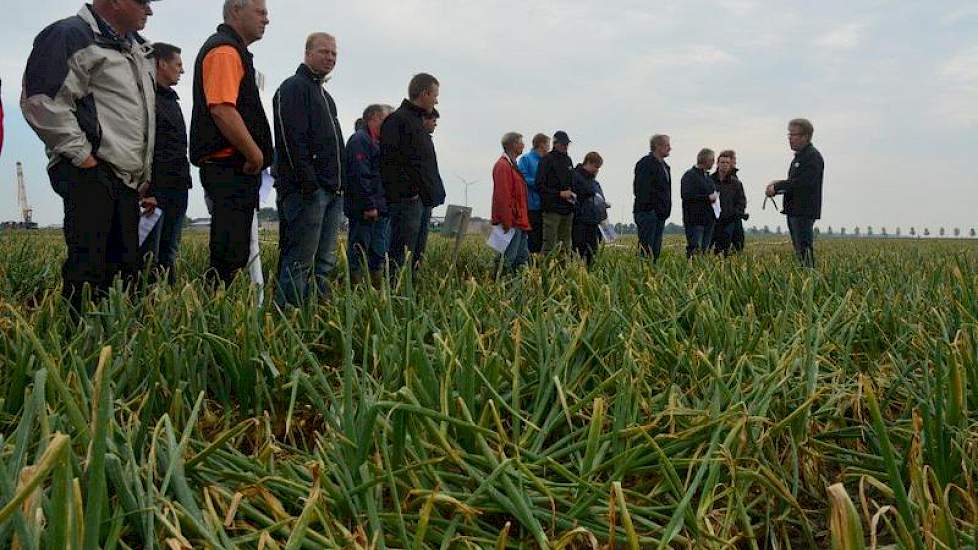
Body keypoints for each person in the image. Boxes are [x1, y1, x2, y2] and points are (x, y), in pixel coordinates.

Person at [22, 0, 157, 314]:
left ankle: (113, 348)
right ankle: (78, 349)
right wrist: (83, 157)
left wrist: (140, 174)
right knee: (89, 272)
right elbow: (41, 99)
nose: (148, 10)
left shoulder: (136, 49)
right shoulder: (71, 34)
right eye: (143, 1)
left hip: (123, 178)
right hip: (92, 172)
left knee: (123, 272)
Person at [190, 0, 272, 288]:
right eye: (261, 12)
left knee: (235, 251)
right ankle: (217, 312)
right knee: (229, 254)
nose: (267, 19)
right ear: (236, 10)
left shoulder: (232, 49)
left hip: (234, 169)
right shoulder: (224, 50)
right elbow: (222, 109)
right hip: (230, 169)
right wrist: (255, 153)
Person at [272, 32, 346, 307]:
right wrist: (309, 184)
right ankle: (287, 318)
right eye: (324, 52)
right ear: (307, 53)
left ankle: (314, 313)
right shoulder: (293, 88)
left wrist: (340, 185)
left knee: (324, 261)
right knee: (300, 260)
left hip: (331, 190)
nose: (330, 58)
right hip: (308, 192)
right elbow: (292, 140)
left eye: (334, 53)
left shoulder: (325, 96)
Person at [381, 73, 441, 276]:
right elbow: (390, 163)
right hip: (407, 202)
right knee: (402, 255)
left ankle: (410, 295)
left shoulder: (417, 122)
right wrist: (410, 192)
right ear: (424, 93)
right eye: (435, 95)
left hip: (421, 201)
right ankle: (397, 298)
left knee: (416, 255)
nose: (436, 100)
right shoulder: (398, 120)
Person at [140, 42, 191, 284]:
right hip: (155, 192)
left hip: (178, 187)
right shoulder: (146, 99)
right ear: (161, 63)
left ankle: (166, 306)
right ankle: (145, 307)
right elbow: (143, 146)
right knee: (150, 254)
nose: (182, 71)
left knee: (169, 253)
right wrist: (147, 190)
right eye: (178, 64)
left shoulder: (172, 100)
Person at [345, 104, 393, 286]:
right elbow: (360, 175)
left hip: (379, 208)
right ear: (374, 118)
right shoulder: (360, 140)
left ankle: (375, 289)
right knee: (359, 249)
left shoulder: (377, 142)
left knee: (378, 252)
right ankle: (355, 289)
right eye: (386, 120)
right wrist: (368, 205)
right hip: (365, 210)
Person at [766, 118, 824, 268]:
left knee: (805, 252)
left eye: (793, 134)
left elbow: (802, 184)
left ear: (805, 136)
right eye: (789, 135)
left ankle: (809, 279)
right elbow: (795, 181)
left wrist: (777, 187)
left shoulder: (812, 157)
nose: (790, 138)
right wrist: (778, 184)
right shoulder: (800, 157)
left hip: (803, 211)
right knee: (799, 251)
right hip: (795, 211)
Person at [490, 132, 532, 273]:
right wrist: (506, 221)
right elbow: (503, 196)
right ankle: (500, 286)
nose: (523, 145)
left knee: (521, 259)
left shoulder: (512, 165)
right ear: (512, 144)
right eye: (520, 141)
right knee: (508, 259)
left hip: (519, 221)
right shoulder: (503, 166)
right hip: (512, 222)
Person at [633, 134, 672, 262]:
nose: (670, 148)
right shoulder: (646, 164)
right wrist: (652, 209)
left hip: (660, 214)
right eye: (667, 145)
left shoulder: (665, 166)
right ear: (657, 146)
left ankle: (653, 275)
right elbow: (641, 189)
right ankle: (643, 274)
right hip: (648, 213)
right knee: (646, 250)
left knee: (655, 250)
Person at [536, 130, 575, 257]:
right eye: (563, 144)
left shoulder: (568, 161)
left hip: (567, 209)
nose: (565, 146)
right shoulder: (546, 160)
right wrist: (559, 194)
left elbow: (571, 182)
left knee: (565, 247)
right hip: (551, 210)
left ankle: (563, 273)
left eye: (567, 144)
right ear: (555, 143)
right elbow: (540, 185)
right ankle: (546, 273)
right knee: (550, 246)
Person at [415, 108, 445, 269]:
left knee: (421, 240)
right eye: (433, 120)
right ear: (424, 120)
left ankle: (416, 271)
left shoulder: (427, 140)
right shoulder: (418, 140)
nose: (435, 124)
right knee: (415, 241)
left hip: (426, 198)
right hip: (419, 198)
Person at [571, 152, 608, 267]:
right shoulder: (575, 176)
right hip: (580, 222)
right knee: (580, 251)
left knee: (592, 252)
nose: (597, 170)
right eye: (596, 167)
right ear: (589, 163)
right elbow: (582, 193)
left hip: (594, 222)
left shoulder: (595, 183)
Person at [681, 148, 718, 258]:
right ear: (705, 160)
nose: (713, 162)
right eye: (712, 159)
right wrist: (707, 198)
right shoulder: (690, 176)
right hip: (695, 221)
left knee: (704, 252)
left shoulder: (708, 178)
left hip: (708, 221)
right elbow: (686, 196)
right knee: (694, 250)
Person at [517, 133, 549, 254]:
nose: (549, 148)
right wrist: (539, 185)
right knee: (532, 240)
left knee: (542, 240)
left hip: (544, 206)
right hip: (531, 206)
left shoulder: (547, 161)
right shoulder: (526, 159)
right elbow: (522, 178)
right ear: (541, 145)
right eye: (548, 144)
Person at [711, 150, 746, 256]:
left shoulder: (736, 183)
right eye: (722, 162)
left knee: (734, 246)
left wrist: (736, 212)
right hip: (714, 220)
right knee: (712, 246)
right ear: (717, 164)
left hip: (731, 219)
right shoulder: (710, 180)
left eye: (727, 163)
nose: (725, 165)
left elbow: (741, 200)